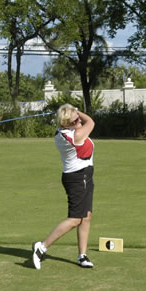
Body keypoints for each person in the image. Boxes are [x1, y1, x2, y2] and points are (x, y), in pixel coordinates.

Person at [32, 104, 96, 269]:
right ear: (66, 124)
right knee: (75, 219)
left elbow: (82, 122)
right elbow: (91, 122)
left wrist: (73, 114)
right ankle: (42, 247)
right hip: (78, 177)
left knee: (86, 216)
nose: (79, 121)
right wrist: (78, 111)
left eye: (78, 119)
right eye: (75, 121)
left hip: (84, 176)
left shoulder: (62, 132)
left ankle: (82, 255)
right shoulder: (76, 135)